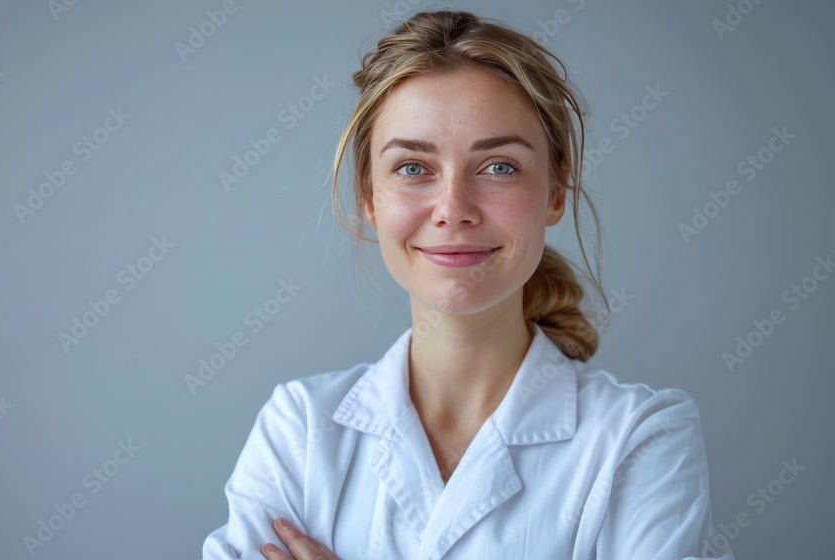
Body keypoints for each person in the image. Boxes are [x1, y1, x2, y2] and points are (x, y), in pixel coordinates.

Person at [203, 10, 732, 560]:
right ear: (369, 198)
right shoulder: (300, 429)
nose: (453, 211)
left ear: (555, 192)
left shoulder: (639, 439)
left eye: (499, 167)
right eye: (412, 168)